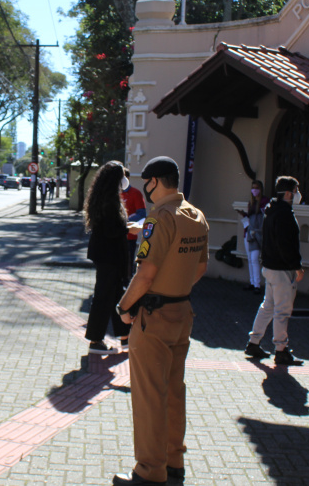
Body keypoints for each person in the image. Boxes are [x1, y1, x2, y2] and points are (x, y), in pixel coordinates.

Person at [113, 156, 208, 486]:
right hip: (182, 312)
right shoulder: (195, 215)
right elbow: (200, 268)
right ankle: (173, 462)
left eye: (146, 182)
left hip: (154, 318)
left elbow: (146, 274)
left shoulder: (160, 217)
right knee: (174, 392)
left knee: (150, 397)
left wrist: (124, 306)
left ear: (154, 182)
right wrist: (176, 288)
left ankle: (149, 471)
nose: (145, 188)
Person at [244, 176, 305, 366]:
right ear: (288, 193)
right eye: (295, 191)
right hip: (281, 268)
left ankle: (254, 342)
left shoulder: (271, 210)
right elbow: (286, 244)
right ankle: (281, 349)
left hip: (270, 266)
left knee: (268, 306)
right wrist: (296, 266)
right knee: (282, 310)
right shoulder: (285, 214)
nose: (297, 195)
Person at [83, 161, 131, 355]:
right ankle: (96, 340)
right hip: (109, 255)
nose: (125, 180)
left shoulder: (103, 197)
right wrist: (128, 229)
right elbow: (112, 230)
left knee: (115, 295)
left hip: (106, 254)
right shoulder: (109, 201)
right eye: (122, 176)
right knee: (105, 296)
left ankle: (125, 337)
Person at [236, 180, 268, 294]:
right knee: (250, 259)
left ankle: (257, 285)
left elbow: (263, 215)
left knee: (255, 258)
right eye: (253, 188)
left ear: (261, 189)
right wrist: (244, 214)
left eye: (256, 188)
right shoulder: (251, 203)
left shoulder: (265, 202)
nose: (254, 190)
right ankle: (252, 282)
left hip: (258, 233)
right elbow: (250, 217)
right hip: (249, 233)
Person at [121, 168, 147, 278]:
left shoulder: (135, 193)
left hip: (129, 237)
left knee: (127, 265)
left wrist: (124, 221)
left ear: (127, 178)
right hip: (114, 236)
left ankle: (127, 284)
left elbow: (142, 214)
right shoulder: (113, 194)